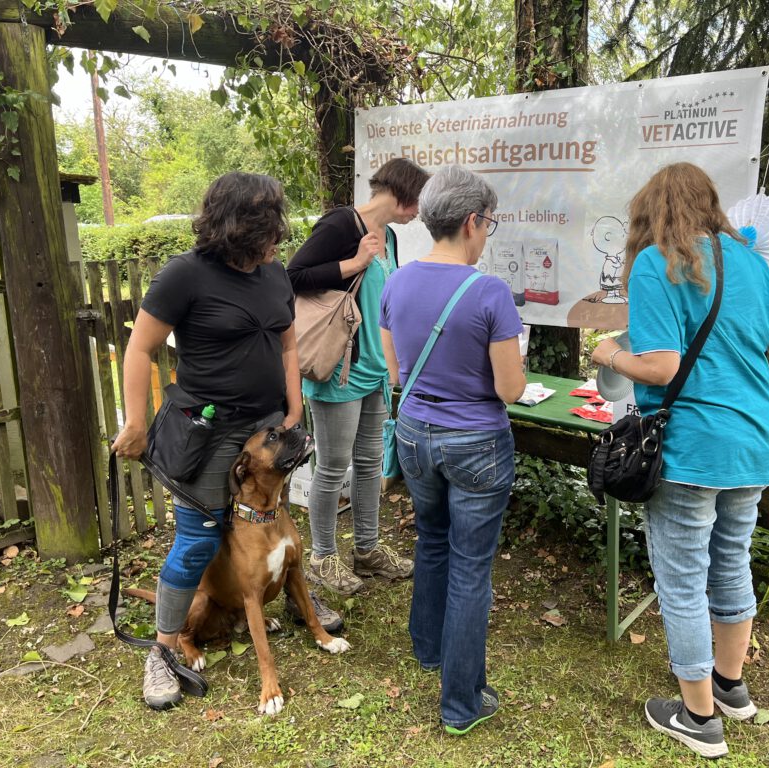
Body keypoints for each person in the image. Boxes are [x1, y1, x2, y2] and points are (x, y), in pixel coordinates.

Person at [591, 162, 769, 759]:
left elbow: (659, 366)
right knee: (731, 561)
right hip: (753, 443)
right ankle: (731, 687)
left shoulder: (655, 264)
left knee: (683, 582)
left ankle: (698, 717)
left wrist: (608, 351)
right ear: (710, 205)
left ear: (651, 212)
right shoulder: (748, 264)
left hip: (690, 449)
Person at [111, 172, 340, 711]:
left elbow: (286, 343)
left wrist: (295, 403)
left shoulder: (274, 274)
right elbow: (139, 349)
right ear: (238, 225)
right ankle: (163, 650)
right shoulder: (185, 275)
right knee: (197, 539)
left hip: (262, 427)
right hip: (206, 434)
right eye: (267, 223)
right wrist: (138, 422)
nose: (276, 235)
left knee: (274, 520)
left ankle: (281, 597)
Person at [379, 165, 527, 735]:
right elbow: (511, 389)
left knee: (431, 540)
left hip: (415, 434)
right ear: (471, 222)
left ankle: (428, 648)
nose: (487, 233)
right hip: (477, 444)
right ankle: (461, 703)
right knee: (471, 566)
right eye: (488, 222)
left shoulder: (396, 282)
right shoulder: (488, 291)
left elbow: (397, 373)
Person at [287, 158, 429, 595]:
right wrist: (352, 263)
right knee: (331, 467)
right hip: (338, 370)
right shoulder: (340, 225)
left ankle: (366, 549)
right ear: (401, 194)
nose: (418, 212)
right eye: (416, 201)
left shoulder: (389, 236)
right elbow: (292, 277)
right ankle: (322, 558)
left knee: (370, 464)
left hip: (373, 370)